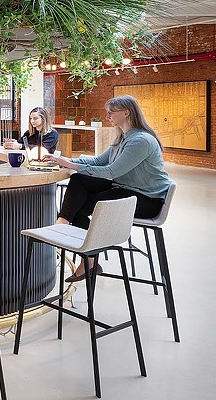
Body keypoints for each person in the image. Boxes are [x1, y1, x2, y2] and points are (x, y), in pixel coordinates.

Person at [46, 95, 171, 282]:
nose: (107, 116)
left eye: (111, 112)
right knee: (79, 181)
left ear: (126, 112)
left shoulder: (141, 141)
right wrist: (66, 161)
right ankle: (65, 225)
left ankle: (85, 255)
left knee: (80, 205)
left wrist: (70, 165)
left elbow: (111, 171)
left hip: (146, 199)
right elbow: (98, 161)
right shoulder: (123, 137)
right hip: (126, 188)